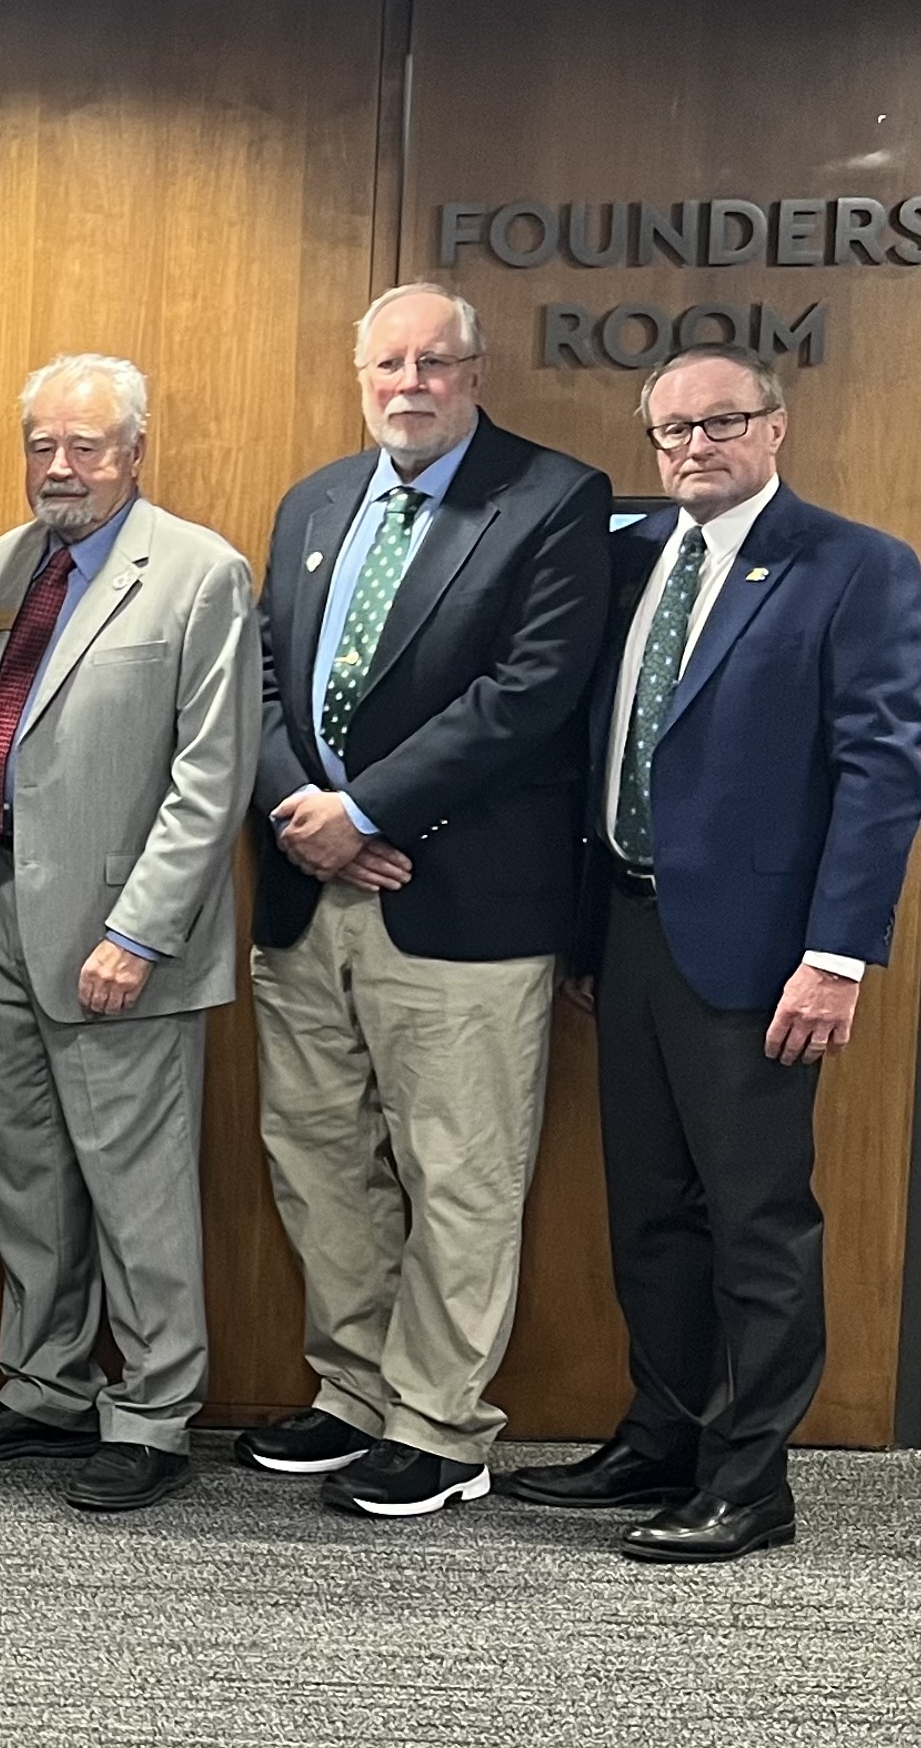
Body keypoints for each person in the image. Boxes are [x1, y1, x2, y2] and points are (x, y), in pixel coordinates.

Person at [512, 344, 921, 1564]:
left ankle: (749, 1481)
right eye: (671, 430)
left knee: (753, 1219)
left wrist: (835, 953)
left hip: (760, 951)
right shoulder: (629, 556)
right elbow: (598, 751)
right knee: (647, 1211)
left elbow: (881, 769)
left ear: (774, 427)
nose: (694, 447)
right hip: (629, 930)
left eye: (720, 423)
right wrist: (585, 930)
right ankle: (662, 1431)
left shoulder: (853, 565)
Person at [240, 285, 611, 1519]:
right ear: (360, 375)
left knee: (456, 1168)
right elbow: (260, 684)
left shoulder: (550, 497)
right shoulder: (311, 500)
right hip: (306, 894)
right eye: (385, 363)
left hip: (458, 902)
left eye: (431, 362)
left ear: (473, 370)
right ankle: (351, 1393)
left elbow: (528, 693)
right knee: (319, 1159)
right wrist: (308, 816)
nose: (407, 382)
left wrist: (368, 812)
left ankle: (440, 1424)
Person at [0, 354, 256, 1514]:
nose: (58, 467)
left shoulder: (198, 571)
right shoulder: (3, 562)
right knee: (23, 1173)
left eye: (84, 445)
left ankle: (154, 1408)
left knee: (136, 1184)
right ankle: (43, 1381)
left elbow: (211, 774)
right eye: (40, 445)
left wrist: (140, 930)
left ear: (133, 450)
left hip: (118, 933)